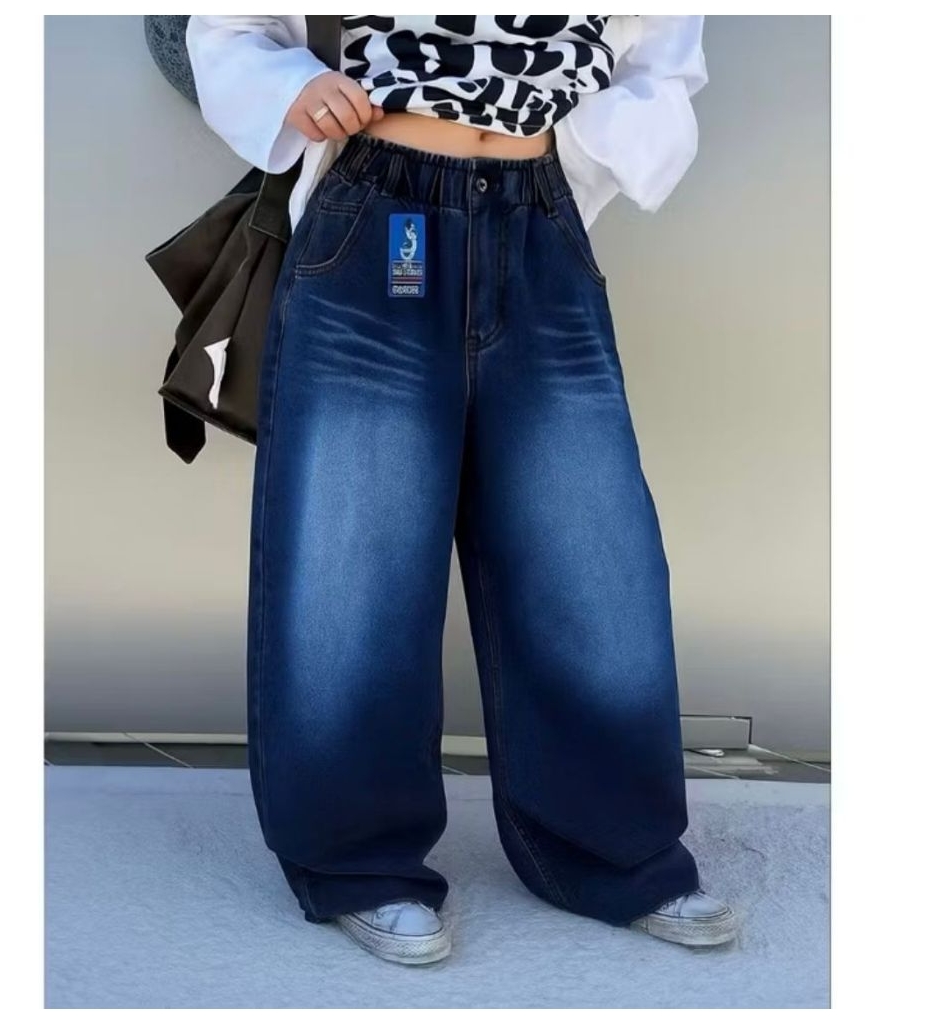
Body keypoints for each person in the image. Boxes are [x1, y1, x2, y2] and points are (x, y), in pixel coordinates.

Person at [186, 14, 738, 966]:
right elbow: (225, 26)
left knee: (589, 554)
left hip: (537, 219)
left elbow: (663, 61)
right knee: (355, 555)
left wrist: (569, 149)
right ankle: (360, 864)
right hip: (381, 210)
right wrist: (289, 90)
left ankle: (611, 852)